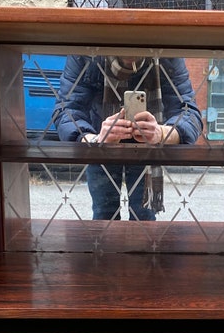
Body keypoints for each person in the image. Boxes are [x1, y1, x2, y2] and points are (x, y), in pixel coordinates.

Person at [52, 55, 203, 220]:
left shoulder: (167, 55)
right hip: (103, 144)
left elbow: (189, 113)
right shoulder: (85, 55)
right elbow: (66, 110)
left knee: (139, 217)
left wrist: (161, 133)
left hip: (139, 145)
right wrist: (96, 140)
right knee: (105, 216)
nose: (130, 55)